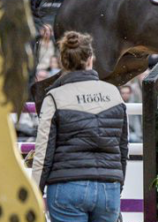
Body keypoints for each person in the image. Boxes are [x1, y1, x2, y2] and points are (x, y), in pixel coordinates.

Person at [31, 31, 128, 222]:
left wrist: (35, 193)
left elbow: (43, 153)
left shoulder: (55, 97)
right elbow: (122, 148)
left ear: (62, 62)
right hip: (109, 188)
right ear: (91, 59)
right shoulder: (114, 94)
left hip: (67, 186)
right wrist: (118, 185)